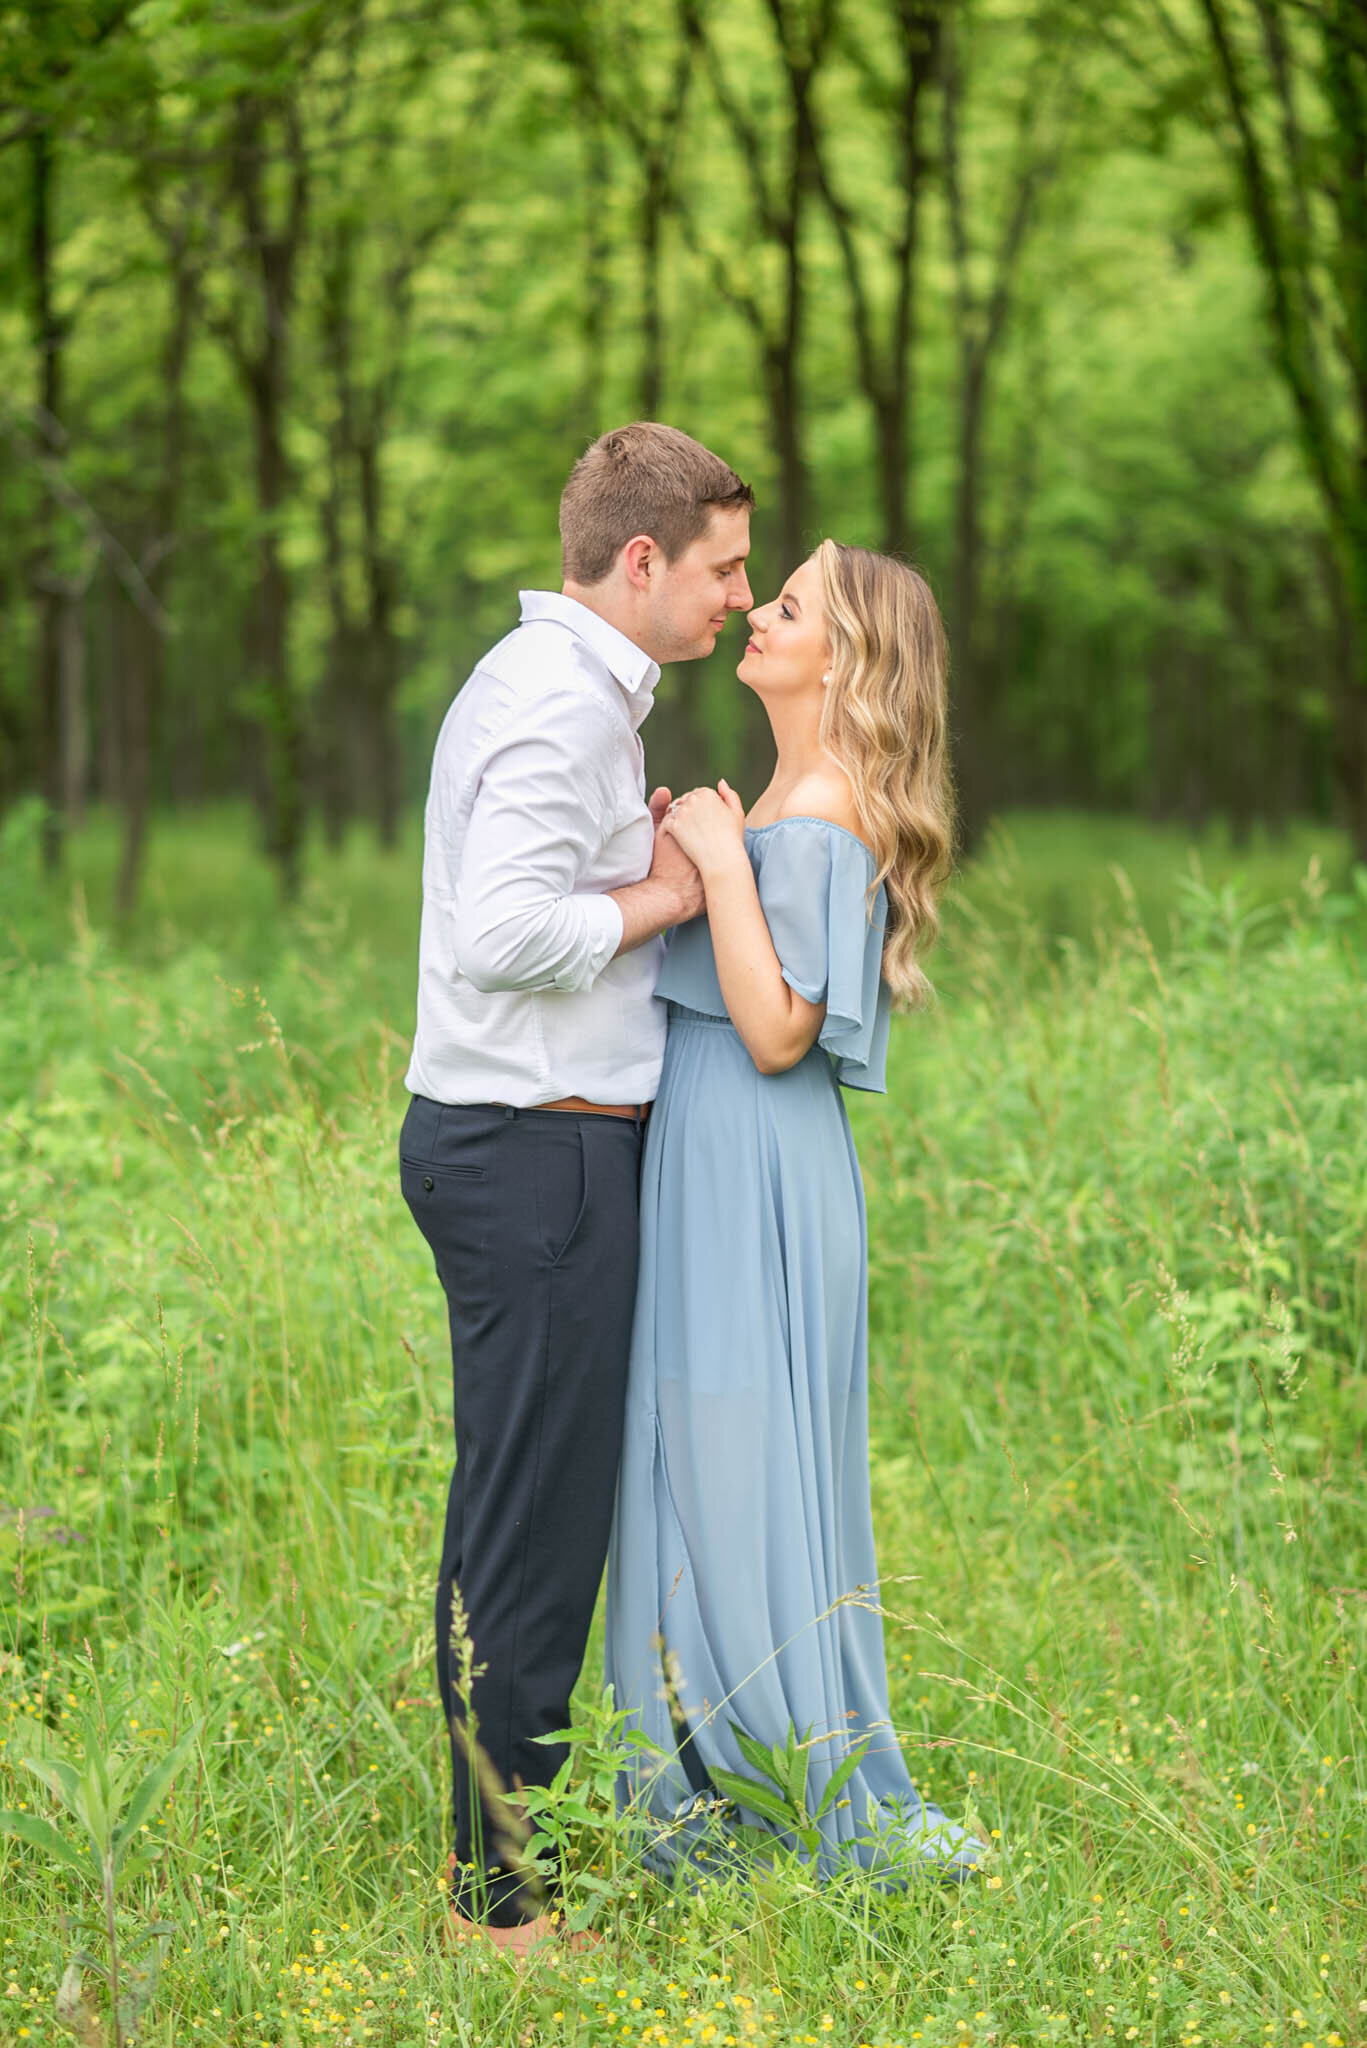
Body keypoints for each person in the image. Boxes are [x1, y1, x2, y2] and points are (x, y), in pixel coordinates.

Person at [400, 422, 753, 1955]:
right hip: (534, 1149)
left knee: (521, 1517)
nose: (739, 598)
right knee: (530, 1533)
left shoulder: (571, 690)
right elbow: (502, 935)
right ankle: (503, 1916)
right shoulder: (557, 705)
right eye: (725, 569)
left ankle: (503, 1877)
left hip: (541, 1144)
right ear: (640, 560)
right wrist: (673, 891)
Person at [605, 539, 988, 1884]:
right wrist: (697, 854)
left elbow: (776, 1029)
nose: (757, 616)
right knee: (701, 1453)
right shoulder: (784, 797)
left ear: (849, 659)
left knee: (737, 1462)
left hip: (756, 1155)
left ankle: (758, 1780)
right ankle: (709, 1766)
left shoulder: (822, 811)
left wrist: (716, 863)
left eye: (788, 606)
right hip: (718, 1150)